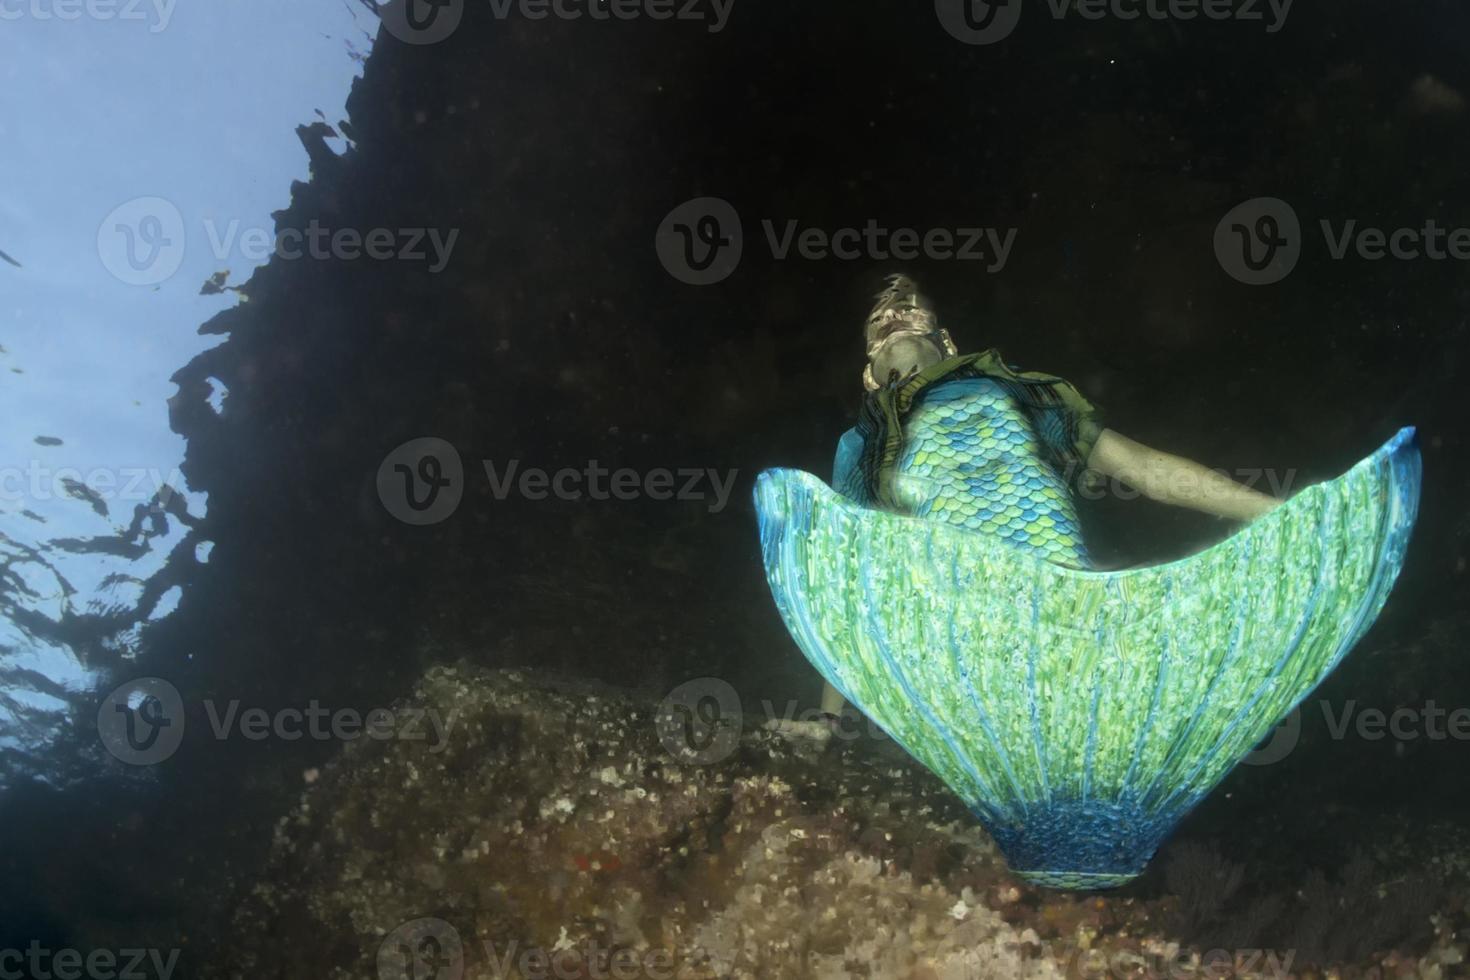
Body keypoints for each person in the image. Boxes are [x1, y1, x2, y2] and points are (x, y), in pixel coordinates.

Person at [814, 274, 1282, 722]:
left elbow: (1140, 467)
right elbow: (848, 582)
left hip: (1062, 607)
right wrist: (831, 719)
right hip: (960, 634)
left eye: (908, 313)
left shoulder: (1018, 392)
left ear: (946, 342)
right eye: (878, 325)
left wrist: (1276, 512)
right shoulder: (859, 447)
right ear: (868, 376)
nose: (893, 319)